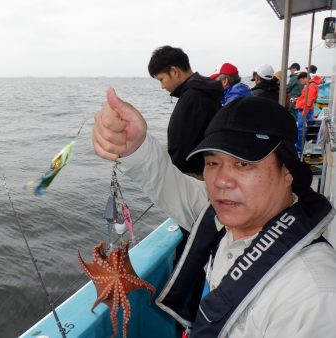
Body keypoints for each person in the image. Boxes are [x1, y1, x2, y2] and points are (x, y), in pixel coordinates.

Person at [92, 89, 336, 337]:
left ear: (288, 172)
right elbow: (167, 183)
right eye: (212, 163)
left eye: (243, 163)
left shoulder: (313, 294)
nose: (221, 181)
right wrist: (134, 146)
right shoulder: (220, 217)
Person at [148, 46, 223, 176]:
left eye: (161, 79)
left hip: (194, 176)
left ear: (174, 71)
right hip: (211, 169)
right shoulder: (205, 91)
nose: (162, 86)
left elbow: (181, 147)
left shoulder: (192, 97)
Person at [295, 72, 320, 154]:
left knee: (302, 130)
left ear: (306, 78)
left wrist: (304, 112)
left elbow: (309, 101)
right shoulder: (310, 86)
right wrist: (297, 99)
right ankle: (301, 147)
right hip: (305, 110)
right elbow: (306, 98)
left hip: (305, 111)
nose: (300, 82)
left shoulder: (311, 86)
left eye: (301, 80)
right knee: (303, 129)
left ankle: (300, 148)